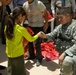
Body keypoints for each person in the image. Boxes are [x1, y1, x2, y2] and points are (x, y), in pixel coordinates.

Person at [4, 6, 43, 75]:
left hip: (9, 54)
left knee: (11, 71)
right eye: (24, 17)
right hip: (18, 55)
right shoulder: (21, 29)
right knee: (20, 72)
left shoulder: (7, 26)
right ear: (20, 16)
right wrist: (38, 35)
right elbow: (30, 39)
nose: (24, 19)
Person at [40, 7, 76, 75]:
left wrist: (65, 53)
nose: (59, 20)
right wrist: (44, 36)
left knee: (67, 61)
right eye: (58, 17)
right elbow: (52, 35)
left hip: (73, 54)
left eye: (61, 17)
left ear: (68, 15)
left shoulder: (74, 26)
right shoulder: (60, 26)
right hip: (63, 54)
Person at [23, 0, 48, 66]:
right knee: (29, 41)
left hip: (39, 25)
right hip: (30, 25)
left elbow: (45, 12)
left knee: (37, 43)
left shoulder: (38, 3)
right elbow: (25, 15)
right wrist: (22, 23)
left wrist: (46, 23)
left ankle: (39, 58)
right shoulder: (25, 5)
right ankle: (31, 55)